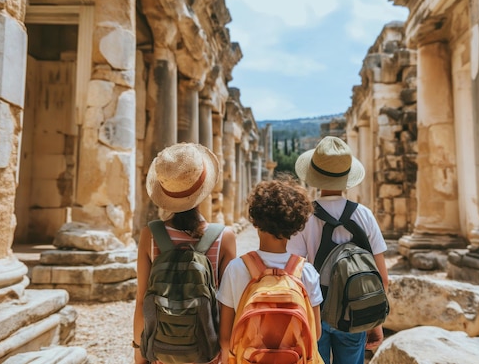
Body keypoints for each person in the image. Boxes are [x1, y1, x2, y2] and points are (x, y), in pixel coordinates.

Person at [287, 136, 390, 364]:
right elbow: (383, 278)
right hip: (354, 310)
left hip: (316, 311)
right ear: (347, 177)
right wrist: (375, 322)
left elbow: (292, 273)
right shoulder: (364, 215)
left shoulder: (304, 218)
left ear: (314, 177)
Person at [133, 143, 237, 364]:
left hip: (162, 351)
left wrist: (139, 353)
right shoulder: (224, 236)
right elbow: (227, 303)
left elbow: (142, 300)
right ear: (204, 190)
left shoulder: (150, 235)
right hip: (206, 351)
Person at [217, 176, 324, 364]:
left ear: (256, 221)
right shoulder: (307, 272)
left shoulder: (236, 269)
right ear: (295, 227)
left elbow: (225, 337)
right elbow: (315, 334)